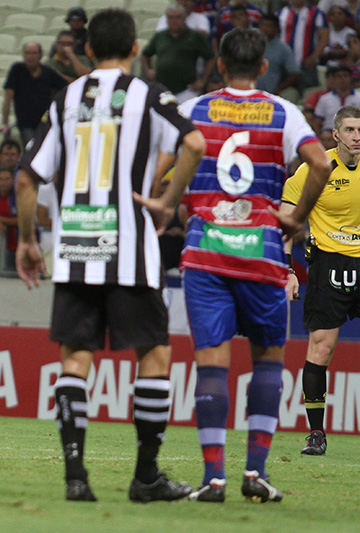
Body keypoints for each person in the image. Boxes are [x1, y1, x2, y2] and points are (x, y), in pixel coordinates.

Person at [15, 8, 206, 503]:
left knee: (76, 357)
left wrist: (28, 241)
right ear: (137, 50)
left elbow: (26, 177)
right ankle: (145, 477)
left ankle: (76, 477)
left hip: (76, 245)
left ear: (90, 51)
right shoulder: (147, 94)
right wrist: (167, 199)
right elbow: (195, 142)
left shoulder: (64, 98)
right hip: (131, 251)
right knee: (155, 353)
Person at [176, 27, 330, 503]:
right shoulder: (283, 111)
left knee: (212, 364)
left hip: (206, 252)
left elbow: (168, 160)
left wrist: (179, 202)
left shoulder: (193, 110)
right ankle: (255, 474)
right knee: (267, 360)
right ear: (265, 68)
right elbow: (321, 165)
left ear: (219, 65)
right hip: (261, 253)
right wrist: (297, 219)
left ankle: (213, 479)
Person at [281, 105, 360, 456]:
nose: (358, 137)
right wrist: (286, 269)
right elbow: (286, 218)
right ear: (336, 134)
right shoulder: (316, 169)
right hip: (330, 266)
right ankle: (316, 434)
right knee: (321, 348)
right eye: (351, 130)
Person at [141, 4, 216, 103]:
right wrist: (148, 71)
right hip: (161, 90)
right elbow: (145, 54)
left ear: (185, 18)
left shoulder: (195, 36)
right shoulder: (160, 37)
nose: (174, 21)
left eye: (178, 17)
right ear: (167, 19)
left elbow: (210, 58)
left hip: (187, 90)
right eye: (171, 17)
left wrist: (203, 80)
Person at [0, 42, 67, 145]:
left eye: (34, 53)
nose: (31, 57)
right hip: (25, 124)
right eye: (28, 53)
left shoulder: (48, 72)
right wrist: (5, 123)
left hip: (46, 122)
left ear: (40, 55)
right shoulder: (17, 70)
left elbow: (65, 86)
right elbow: (8, 98)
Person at [278, 0, 329, 92]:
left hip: (306, 65)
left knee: (307, 93)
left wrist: (313, 57)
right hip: (284, 66)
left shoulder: (316, 13)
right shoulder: (281, 13)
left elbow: (324, 38)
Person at [313, 65, 360, 148]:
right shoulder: (325, 99)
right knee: (327, 137)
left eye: (345, 76)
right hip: (329, 134)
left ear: (350, 78)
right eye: (339, 76)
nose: (342, 79)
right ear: (334, 79)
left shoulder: (358, 98)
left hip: (353, 132)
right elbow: (317, 122)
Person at [256, 12, 301, 98]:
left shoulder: (283, 49)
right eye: (262, 25)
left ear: (276, 28)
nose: (265, 28)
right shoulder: (252, 44)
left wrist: (279, 89)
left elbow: (294, 73)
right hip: (250, 93)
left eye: (269, 26)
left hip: (270, 94)